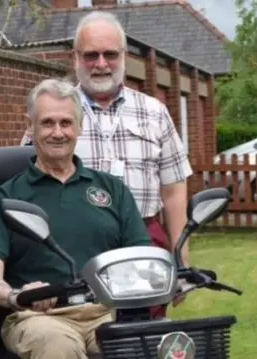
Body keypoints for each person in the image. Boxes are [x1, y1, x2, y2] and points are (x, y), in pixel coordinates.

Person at [22, 11, 193, 316]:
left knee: (143, 337)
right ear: (75, 57)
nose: (101, 64)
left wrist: (181, 260)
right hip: (74, 246)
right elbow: (28, 186)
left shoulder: (154, 112)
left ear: (124, 56)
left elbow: (174, 190)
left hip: (142, 242)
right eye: (91, 55)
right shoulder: (54, 114)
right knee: (80, 333)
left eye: (110, 54)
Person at [0, 78, 152, 359]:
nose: (57, 132)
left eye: (66, 123)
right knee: (60, 347)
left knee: (143, 345)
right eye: (47, 123)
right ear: (30, 126)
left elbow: (141, 259)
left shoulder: (112, 190)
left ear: (79, 127)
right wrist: (19, 295)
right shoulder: (5, 198)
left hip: (103, 313)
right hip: (37, 318)